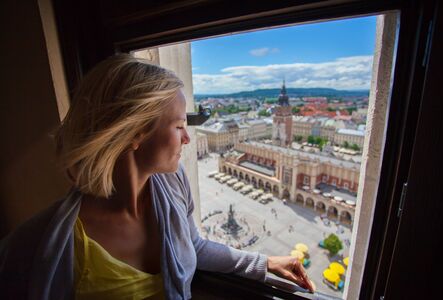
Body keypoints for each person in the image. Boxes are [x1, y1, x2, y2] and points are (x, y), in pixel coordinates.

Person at [0, 54, 314, 299]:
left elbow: (194, 246)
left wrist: (263, 263)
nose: (187, 139)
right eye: (179, 126)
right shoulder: (38, 246)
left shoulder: (173, 183)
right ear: (136, 133)